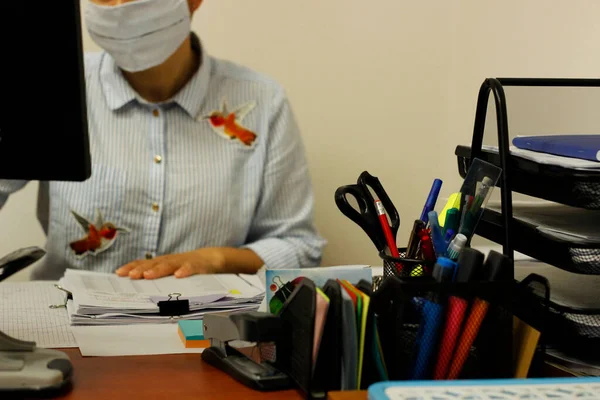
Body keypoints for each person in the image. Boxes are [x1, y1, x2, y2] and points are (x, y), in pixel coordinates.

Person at [0, 0, 326, 281]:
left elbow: (298, 247)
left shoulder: (262, 102)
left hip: (203, 336)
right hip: (65, 330)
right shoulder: (51, 84)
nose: (119, 8)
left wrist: (214, 260)